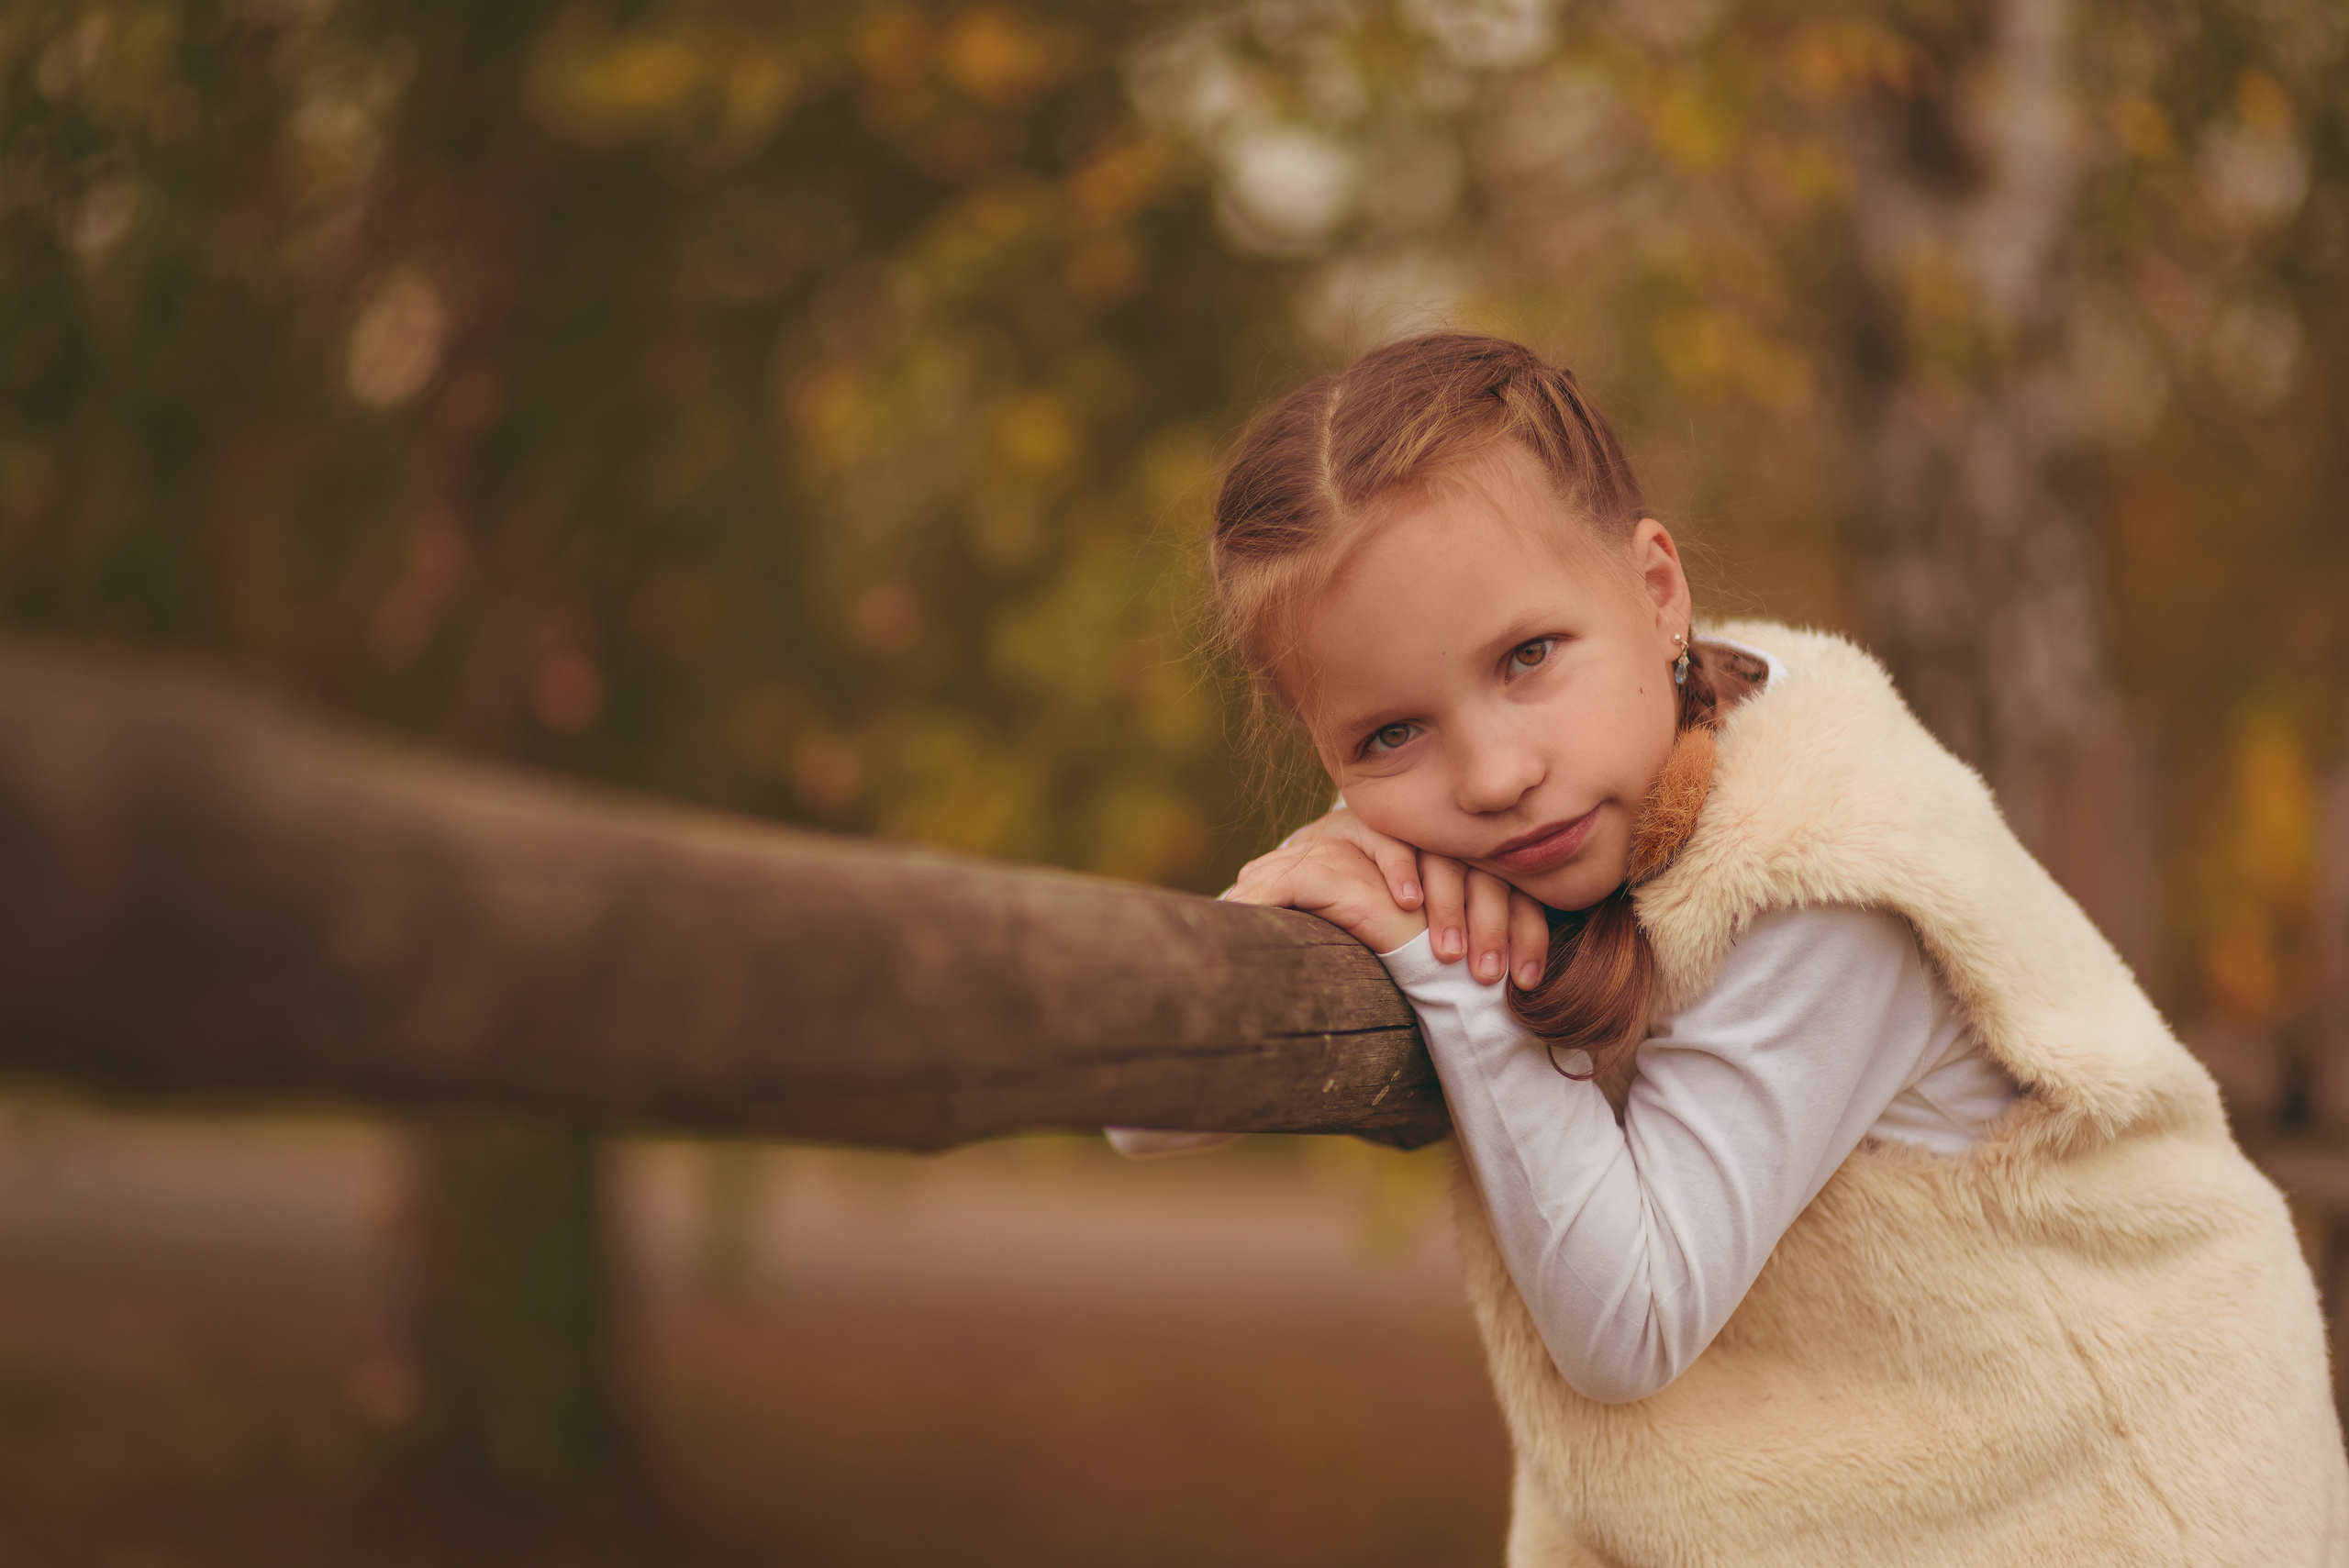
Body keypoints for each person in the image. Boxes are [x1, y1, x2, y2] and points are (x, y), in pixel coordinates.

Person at [1137, 330, 2349, 1562]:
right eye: (1390, 732)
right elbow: (1143, 1106)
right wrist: (1308, 879)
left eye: (1528, 656)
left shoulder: (1820, 874)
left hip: (2122, 1493)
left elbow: (1629, 1323)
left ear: (1657, 589)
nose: (1496, 774)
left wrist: (1455, 976)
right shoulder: (1503, 825)